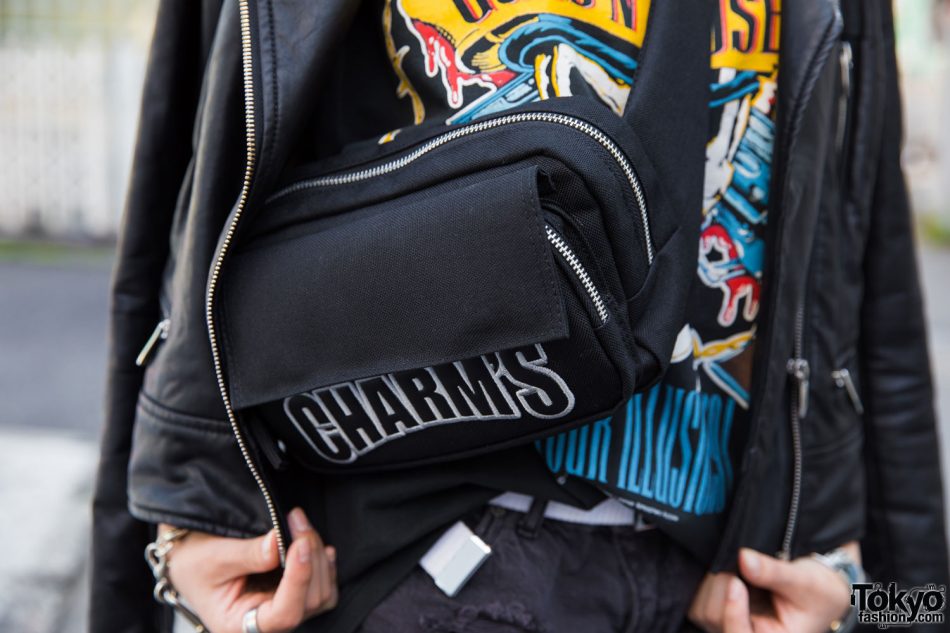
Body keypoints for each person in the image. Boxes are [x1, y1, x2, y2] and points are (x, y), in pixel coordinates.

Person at [89, 1, 950, 632]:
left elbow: (875, 310)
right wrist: (173, 543)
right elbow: (187, 218)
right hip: (407, 569)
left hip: (727, 590)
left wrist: (886, 609)